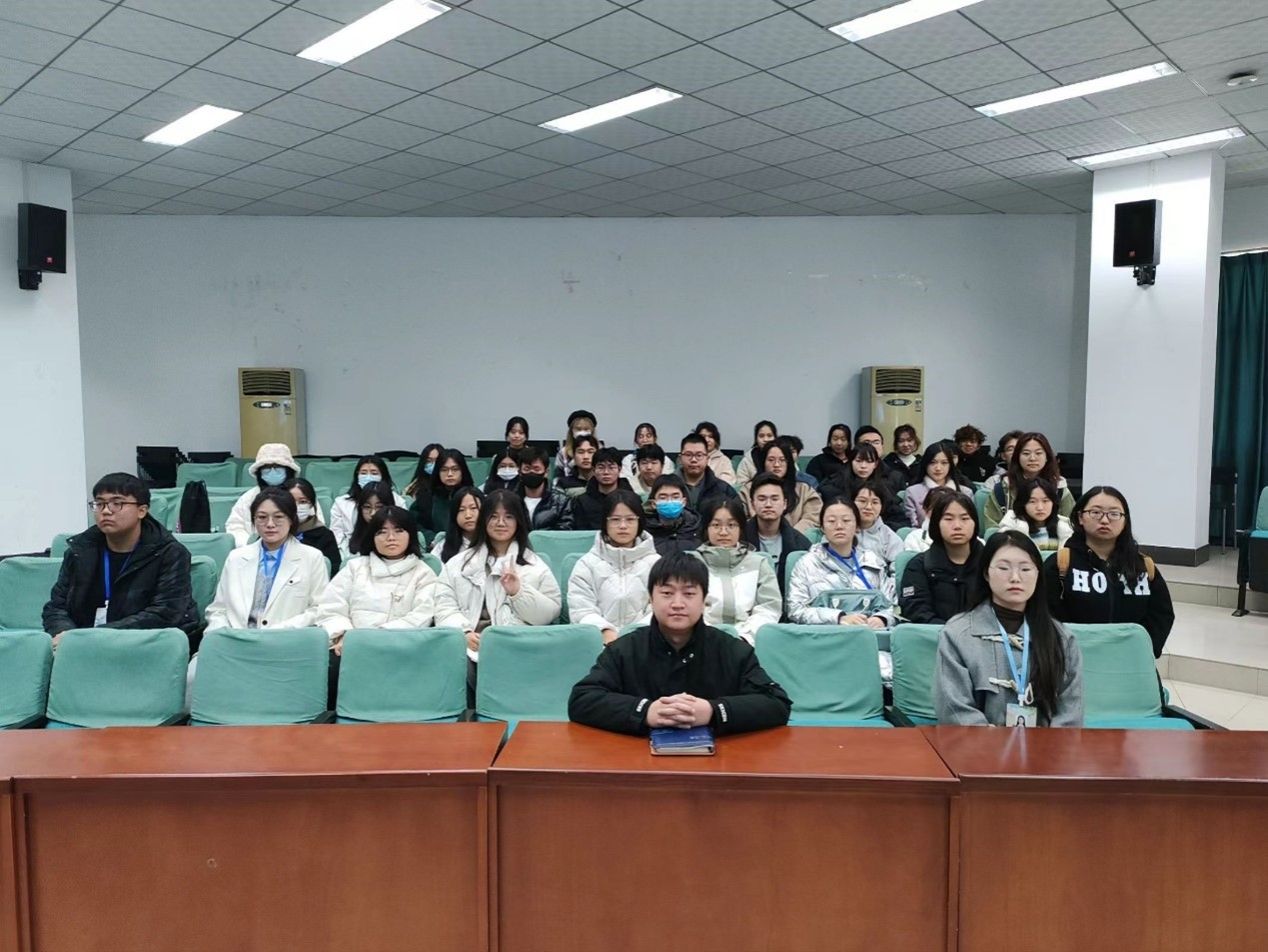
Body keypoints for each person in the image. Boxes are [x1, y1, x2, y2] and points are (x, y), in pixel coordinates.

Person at [568, 552, 791, 736]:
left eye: (689, 593)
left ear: (704, 600)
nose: (677, 603)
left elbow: (777, 703)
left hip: (718, 762)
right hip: (638, 760)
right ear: (650, 599)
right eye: (666, 593)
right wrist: (645, 711)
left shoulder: (732, 650)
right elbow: (581, 700)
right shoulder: (624, 649)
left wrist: (713, 711)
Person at [935, 531, 1084, 727]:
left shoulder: (1062, 638)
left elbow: (1070, 713)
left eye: (1025, 569)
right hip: (978, 744)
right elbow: (954, 709)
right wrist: (993, 742)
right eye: (1004, 568)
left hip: (1046, 745)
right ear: (986, 574)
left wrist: (1046, 744)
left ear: (1038, 575)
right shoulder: (957, 634)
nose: (1015, 578)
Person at [43, 472, 199, 647]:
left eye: (117, 503)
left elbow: (165, 614)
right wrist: (66, 633)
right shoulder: (80, 551)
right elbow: (56, 607)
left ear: (142, 511)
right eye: (99, 504)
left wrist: (91, 637)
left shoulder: (169, 553)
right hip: (83, 645)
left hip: (146, 645)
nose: (106, 511)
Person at [1044, 486, 1175, 658]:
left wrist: (1142, 650)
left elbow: (1162, 615)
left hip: (1130, 661)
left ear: (1125, 520)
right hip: (1073, 660)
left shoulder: (1143, 566)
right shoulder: (1061, 563)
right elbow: (1045, 613)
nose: (1105, 520)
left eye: (1114, 514)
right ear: (1080, 517)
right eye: (1095, 512)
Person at [434, 490, 561, 661]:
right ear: (483, 520)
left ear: (519, 521)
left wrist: (518, 593)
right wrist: (463, 632)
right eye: (493, 517)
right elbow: (443, 605)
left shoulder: (534, 565)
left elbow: (548, 614)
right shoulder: (457, 564)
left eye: (509, 517)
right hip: (466, 647)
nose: (501, 523)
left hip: (517, 648)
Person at [317, 507, 438, 654]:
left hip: (401, 648)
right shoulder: (355, 567)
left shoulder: (423, 573)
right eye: (382, 532)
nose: (391, 537)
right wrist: (344, 636)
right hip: (350, 646)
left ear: (410, 535)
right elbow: (331, 606)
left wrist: (376, 639)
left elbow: (422, 616)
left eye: (399, 531)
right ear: (372, 537)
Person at [205, 487, 329, 631]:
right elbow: (218, 610)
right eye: (262, 517)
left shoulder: (312, 557)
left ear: (291, 519)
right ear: (253, 520)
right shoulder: (236, 558)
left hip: (286, 638)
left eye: (278, 517)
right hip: (237, 637)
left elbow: (318, 609)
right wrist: (223, 633)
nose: (270, 524)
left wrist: (277, 631)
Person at [567, 490, 660, 644]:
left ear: (640, 522)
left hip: (646, 643)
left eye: (630, 519)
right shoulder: (587, 564)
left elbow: (660, 608)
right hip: (599, 642)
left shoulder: (656, 564)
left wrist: (635, 634)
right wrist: (605, 630)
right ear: (605, 522)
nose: (623, 526)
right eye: (615, 519)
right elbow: (580, 609)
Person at [787, 498, 896, 630]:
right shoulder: (807, 563)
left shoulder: (873, 562)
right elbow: (795, 610)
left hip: (869, 634)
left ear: (857, 527)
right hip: (823, 635)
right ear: (822, 528)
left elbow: (893, 606)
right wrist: (839, 618)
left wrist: (882, 618)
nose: (839, 526)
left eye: (846, 520)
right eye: (831, 521)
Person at [690, 497, 781, 645]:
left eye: (731, 525)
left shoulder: (758, 563)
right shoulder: (690, 562)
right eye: (716, 525)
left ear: (741, 529)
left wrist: (746, 637)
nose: (723, 532)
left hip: (748, 641)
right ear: (706, 528)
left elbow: (769, 607)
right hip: (699, 640)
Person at [900, 491, 984, 625]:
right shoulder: (919, 566)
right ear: (936, 524)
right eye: (948, 519)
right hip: (935, 634)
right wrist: (950, 632)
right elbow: (916, 611)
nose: (957, 526)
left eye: (964, 518)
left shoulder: (991, 563)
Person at [984, 432, 1074, 527]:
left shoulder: (1060, 489)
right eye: (1026, 453)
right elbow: (991, 527)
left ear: (1047, 457)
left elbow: (1071, 524)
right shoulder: (1002, 489)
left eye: (1038, 453)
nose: (1032, 458)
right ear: (1017, 457)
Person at [741, 473, 811, 595]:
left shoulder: (801, 544)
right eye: (762, 499)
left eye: (774, 499)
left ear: (784, 504)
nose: (768, 504)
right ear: (752, 504)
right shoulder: (738, 539)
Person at [225, 443, 304, 547]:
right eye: (267, 468)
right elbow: (235, 527)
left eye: (278, 467)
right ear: (259, 472)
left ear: (288, 470)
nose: (272, 471)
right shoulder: (248, 498)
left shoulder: (303, 496)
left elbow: (316, 526)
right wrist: (253, 546)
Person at [819, 444, 906, 531]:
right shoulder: (834, 485)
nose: (863, 466)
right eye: (858, 461)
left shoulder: (882, 487)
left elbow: (898, 517)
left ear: (875, 464)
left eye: (869, 461)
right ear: (851, 461)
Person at [329, 455, 409, 550]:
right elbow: (337, 535)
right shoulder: (341, 502)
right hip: (351, 548)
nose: (368, 477)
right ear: (357, 475)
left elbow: (403, 529)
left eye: (374, 473)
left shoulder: (398, 501)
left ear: (383, 476)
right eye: (363, 473)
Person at [744, 437, 821, 534]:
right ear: (763, 463)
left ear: (789, 463)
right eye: (771, 460)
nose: (776, 465)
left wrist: (791, 535)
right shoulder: (748, 490)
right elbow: (739, 519)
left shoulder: (804, 490)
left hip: (796, 539)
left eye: (782, 460)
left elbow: (812, 518)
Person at [903, 441, 973, 528]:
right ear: (925, 464)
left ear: (951, 465)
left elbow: (970, 525)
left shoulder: (966, 492)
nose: (938, 468)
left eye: (944, 463)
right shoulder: (912, 492)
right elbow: (912, 527)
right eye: (933, 462)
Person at [285, 477, 341, 576]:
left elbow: (334, 572)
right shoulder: (273, 531)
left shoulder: (325, 535)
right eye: (291, 501)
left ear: (311, 504)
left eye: (303, 502)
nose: (296, 507)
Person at [410, 449, 474, 535]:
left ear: (463, 471)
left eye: (455, 469)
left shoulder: (473, 496)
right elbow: (413, 523)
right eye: (444, 470)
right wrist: (431, 537)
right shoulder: (426, 497)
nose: (450, 474)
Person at [998, 478, 1072, 551]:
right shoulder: (1011, 527)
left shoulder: (1064, 528)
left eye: (1045, 501)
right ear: (1023, 503)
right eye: (1032, 501)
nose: (1040, 508)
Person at [569, 447, 633, 531]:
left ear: (619, 470)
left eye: (611, 467)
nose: (606, 472)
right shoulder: (581, 501)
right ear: (593, 470)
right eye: (601, 467)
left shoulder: (632, 500)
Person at [643, 474, 703, 556]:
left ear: (684, 502)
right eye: (663, 498)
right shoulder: (644, 531)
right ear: (654, 504)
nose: (669, 501)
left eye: (675, 497)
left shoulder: (696, 527)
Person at [515, 445, 573, 530]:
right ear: (519, 472)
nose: (532, 472)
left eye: (536, 469)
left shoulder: (561, 501)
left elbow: (565, 529)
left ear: (546, 472)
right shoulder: (510, 499)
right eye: (527, 469)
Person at [677, 432, 738, 511]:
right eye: (688, 455)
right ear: (680, 458)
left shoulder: (723, 489)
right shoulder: (667, 486)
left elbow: (737, 515)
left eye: (699, 455)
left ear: (707, 459)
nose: (693, 460)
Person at [854, 481, 904, 567]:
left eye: (875, 502)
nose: (868, 507)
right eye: (862, 501)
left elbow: (896, 568)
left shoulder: (888, 536)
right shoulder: (841, 530)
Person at [855, 426, 911, 498]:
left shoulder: (896, 477)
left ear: (882, 446)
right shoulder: (844, 475)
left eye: (876, 442)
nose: (872, 446)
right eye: (867, 443)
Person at [346, 481, 396, 557]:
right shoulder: (353, 540)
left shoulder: (400, 537)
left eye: (379, 507)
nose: (373, 513)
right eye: (367, 507)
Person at [434, 486, 483, 563]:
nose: (468, 515)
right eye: (461, 510)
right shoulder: (442, 547)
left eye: (473, 508)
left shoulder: (494, 543)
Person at [903, 486, 958, 553]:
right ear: (926, 510)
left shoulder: (963, 534)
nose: (943, 514)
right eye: (937, 509)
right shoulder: (915, 538)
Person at [734, 419, 777, 493]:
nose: (765, 439)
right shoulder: (748, 460)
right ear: (756, 439)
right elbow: (740, 486)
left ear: (775, 437)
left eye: (769, 436)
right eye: (761, 436)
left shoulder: (783, 456)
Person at [555, 409, 598, 481]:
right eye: (578, 429)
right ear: (571, 431)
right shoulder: (563, 453)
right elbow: (557, 477)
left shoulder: (600, 450)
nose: (582, 432)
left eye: (586, 429)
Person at [693, 421, 737, 485]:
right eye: (703, 436)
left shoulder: (723, 460)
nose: (707, 440)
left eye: (710, 436)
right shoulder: (690, 458)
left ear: (716, 440)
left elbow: (726, 483)